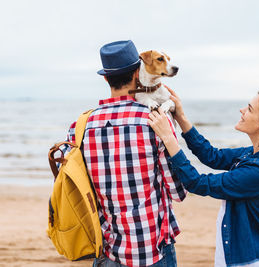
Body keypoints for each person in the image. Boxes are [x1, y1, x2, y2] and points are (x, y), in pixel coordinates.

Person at [61, 40, 186, 267]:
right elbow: (178, 191)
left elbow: (75, 186)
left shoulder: (79, 126)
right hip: (152, 249)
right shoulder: (156, 119)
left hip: (106, 249)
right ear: (138, 72)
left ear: (106, 78)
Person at [148, 88, 259, 267]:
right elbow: (213, 156)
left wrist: (168, 137)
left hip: (252, 259)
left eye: (250, 109)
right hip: (247, 249)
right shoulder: (258, 154)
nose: (242, 110)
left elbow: (198, 183)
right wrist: (181, 117)